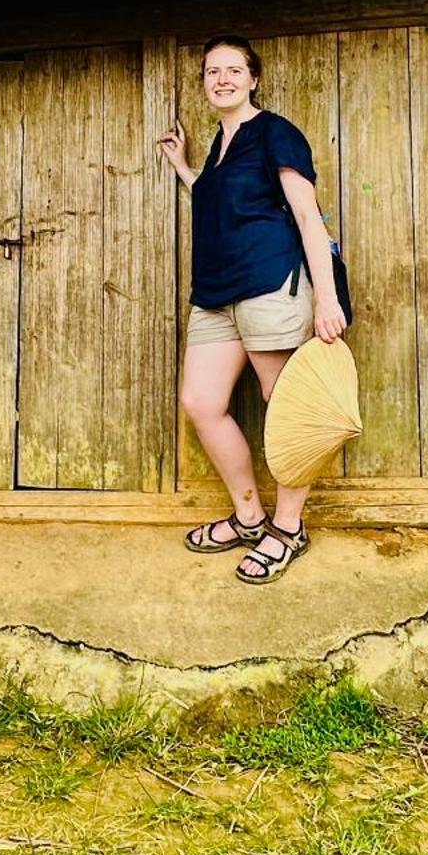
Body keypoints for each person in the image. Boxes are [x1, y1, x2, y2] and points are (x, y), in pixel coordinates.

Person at [158, 35, 347, 584]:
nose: (222, 78)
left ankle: (288, 528)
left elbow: (309, 219)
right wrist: (186, 170)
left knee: (285, 409)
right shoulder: (218, 149)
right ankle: (248, 518)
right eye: (212, 71)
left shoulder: (275, 133)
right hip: (216, 295)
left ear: (253, 78)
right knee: (201, 401)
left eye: (233, 70)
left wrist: (326, 298)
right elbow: (222, 200)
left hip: (271, 285)